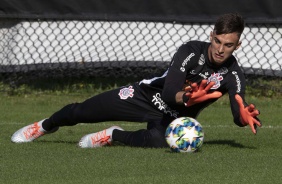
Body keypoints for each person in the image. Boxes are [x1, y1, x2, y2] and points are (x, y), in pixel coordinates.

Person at [11, 13, 261, 148]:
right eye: (217, 41)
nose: (220, 49)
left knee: (157, 141)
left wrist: (243, 117)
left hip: (172, 118)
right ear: (211, 35)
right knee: (83, 111)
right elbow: (169, 91)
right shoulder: (190, 51)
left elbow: (239, 111)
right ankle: (44, 126)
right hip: (144, 96)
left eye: (228, 45)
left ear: (237, 46)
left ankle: (113, 136)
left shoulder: (233, 75)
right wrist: (185, 97)